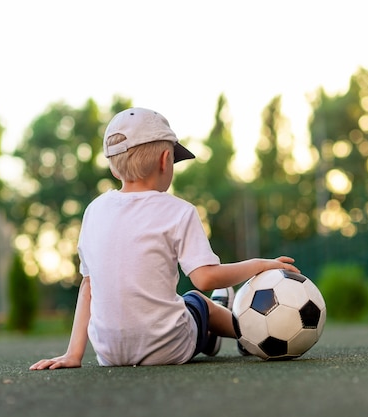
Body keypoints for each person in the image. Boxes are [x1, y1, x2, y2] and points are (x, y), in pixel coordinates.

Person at [29, 107, 300, 369]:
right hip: (169, 347)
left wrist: (73, 354)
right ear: (165, 161)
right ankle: (246, 333)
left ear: (113, 168)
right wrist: (260, 264)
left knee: (184, 308)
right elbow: (205, 278)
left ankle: (210, 334)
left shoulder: (93, 211)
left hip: (110, 354)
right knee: (196, 299)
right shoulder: (179, 211)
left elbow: (88, 286)